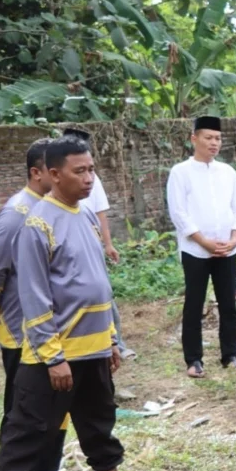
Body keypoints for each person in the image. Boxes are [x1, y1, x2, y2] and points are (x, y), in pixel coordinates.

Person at [0, 136, 166, 471]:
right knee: (27, 425)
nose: (89, 179)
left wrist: (113, 340)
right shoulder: (36, 225)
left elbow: (97, 283)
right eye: (79, 171)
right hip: (55, 353)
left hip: (94, 346)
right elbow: (33, 297)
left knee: (98, 418)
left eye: (91, 169)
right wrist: (53, 357)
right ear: (52, 174)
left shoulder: (85, 214)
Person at [0, 138, 87, 471]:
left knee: (56, 411)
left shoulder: (63, 212)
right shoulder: (17, 213)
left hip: (58, 330)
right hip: (22, 329)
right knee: (24, 411)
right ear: (41, 173)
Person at [166, 116, 236, 378]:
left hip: (227, 249)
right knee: (194, 303)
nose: (214, 143)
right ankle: (193, 359)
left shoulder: (227, 172)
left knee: (228, 303)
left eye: (218, 138)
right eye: (209, 138)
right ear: (194, 139)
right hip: (196, 250)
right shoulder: (181, 172)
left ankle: (230, 354)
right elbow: (178, 213)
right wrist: (203, 241)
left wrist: (234, 238)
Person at [63, 128, 136, 360]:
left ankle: (117, 344)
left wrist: (107, 245)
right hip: (69, 253)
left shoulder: (92, 180)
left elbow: (100, 212)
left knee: (104, 296)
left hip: (91, 249)